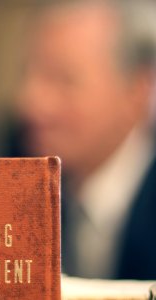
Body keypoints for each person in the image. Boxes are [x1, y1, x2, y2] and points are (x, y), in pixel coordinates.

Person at [10, 0, 156, 279]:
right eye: (26, 75)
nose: (30, 102)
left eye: (62, 80)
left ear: (137, 92)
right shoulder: (13, 170)